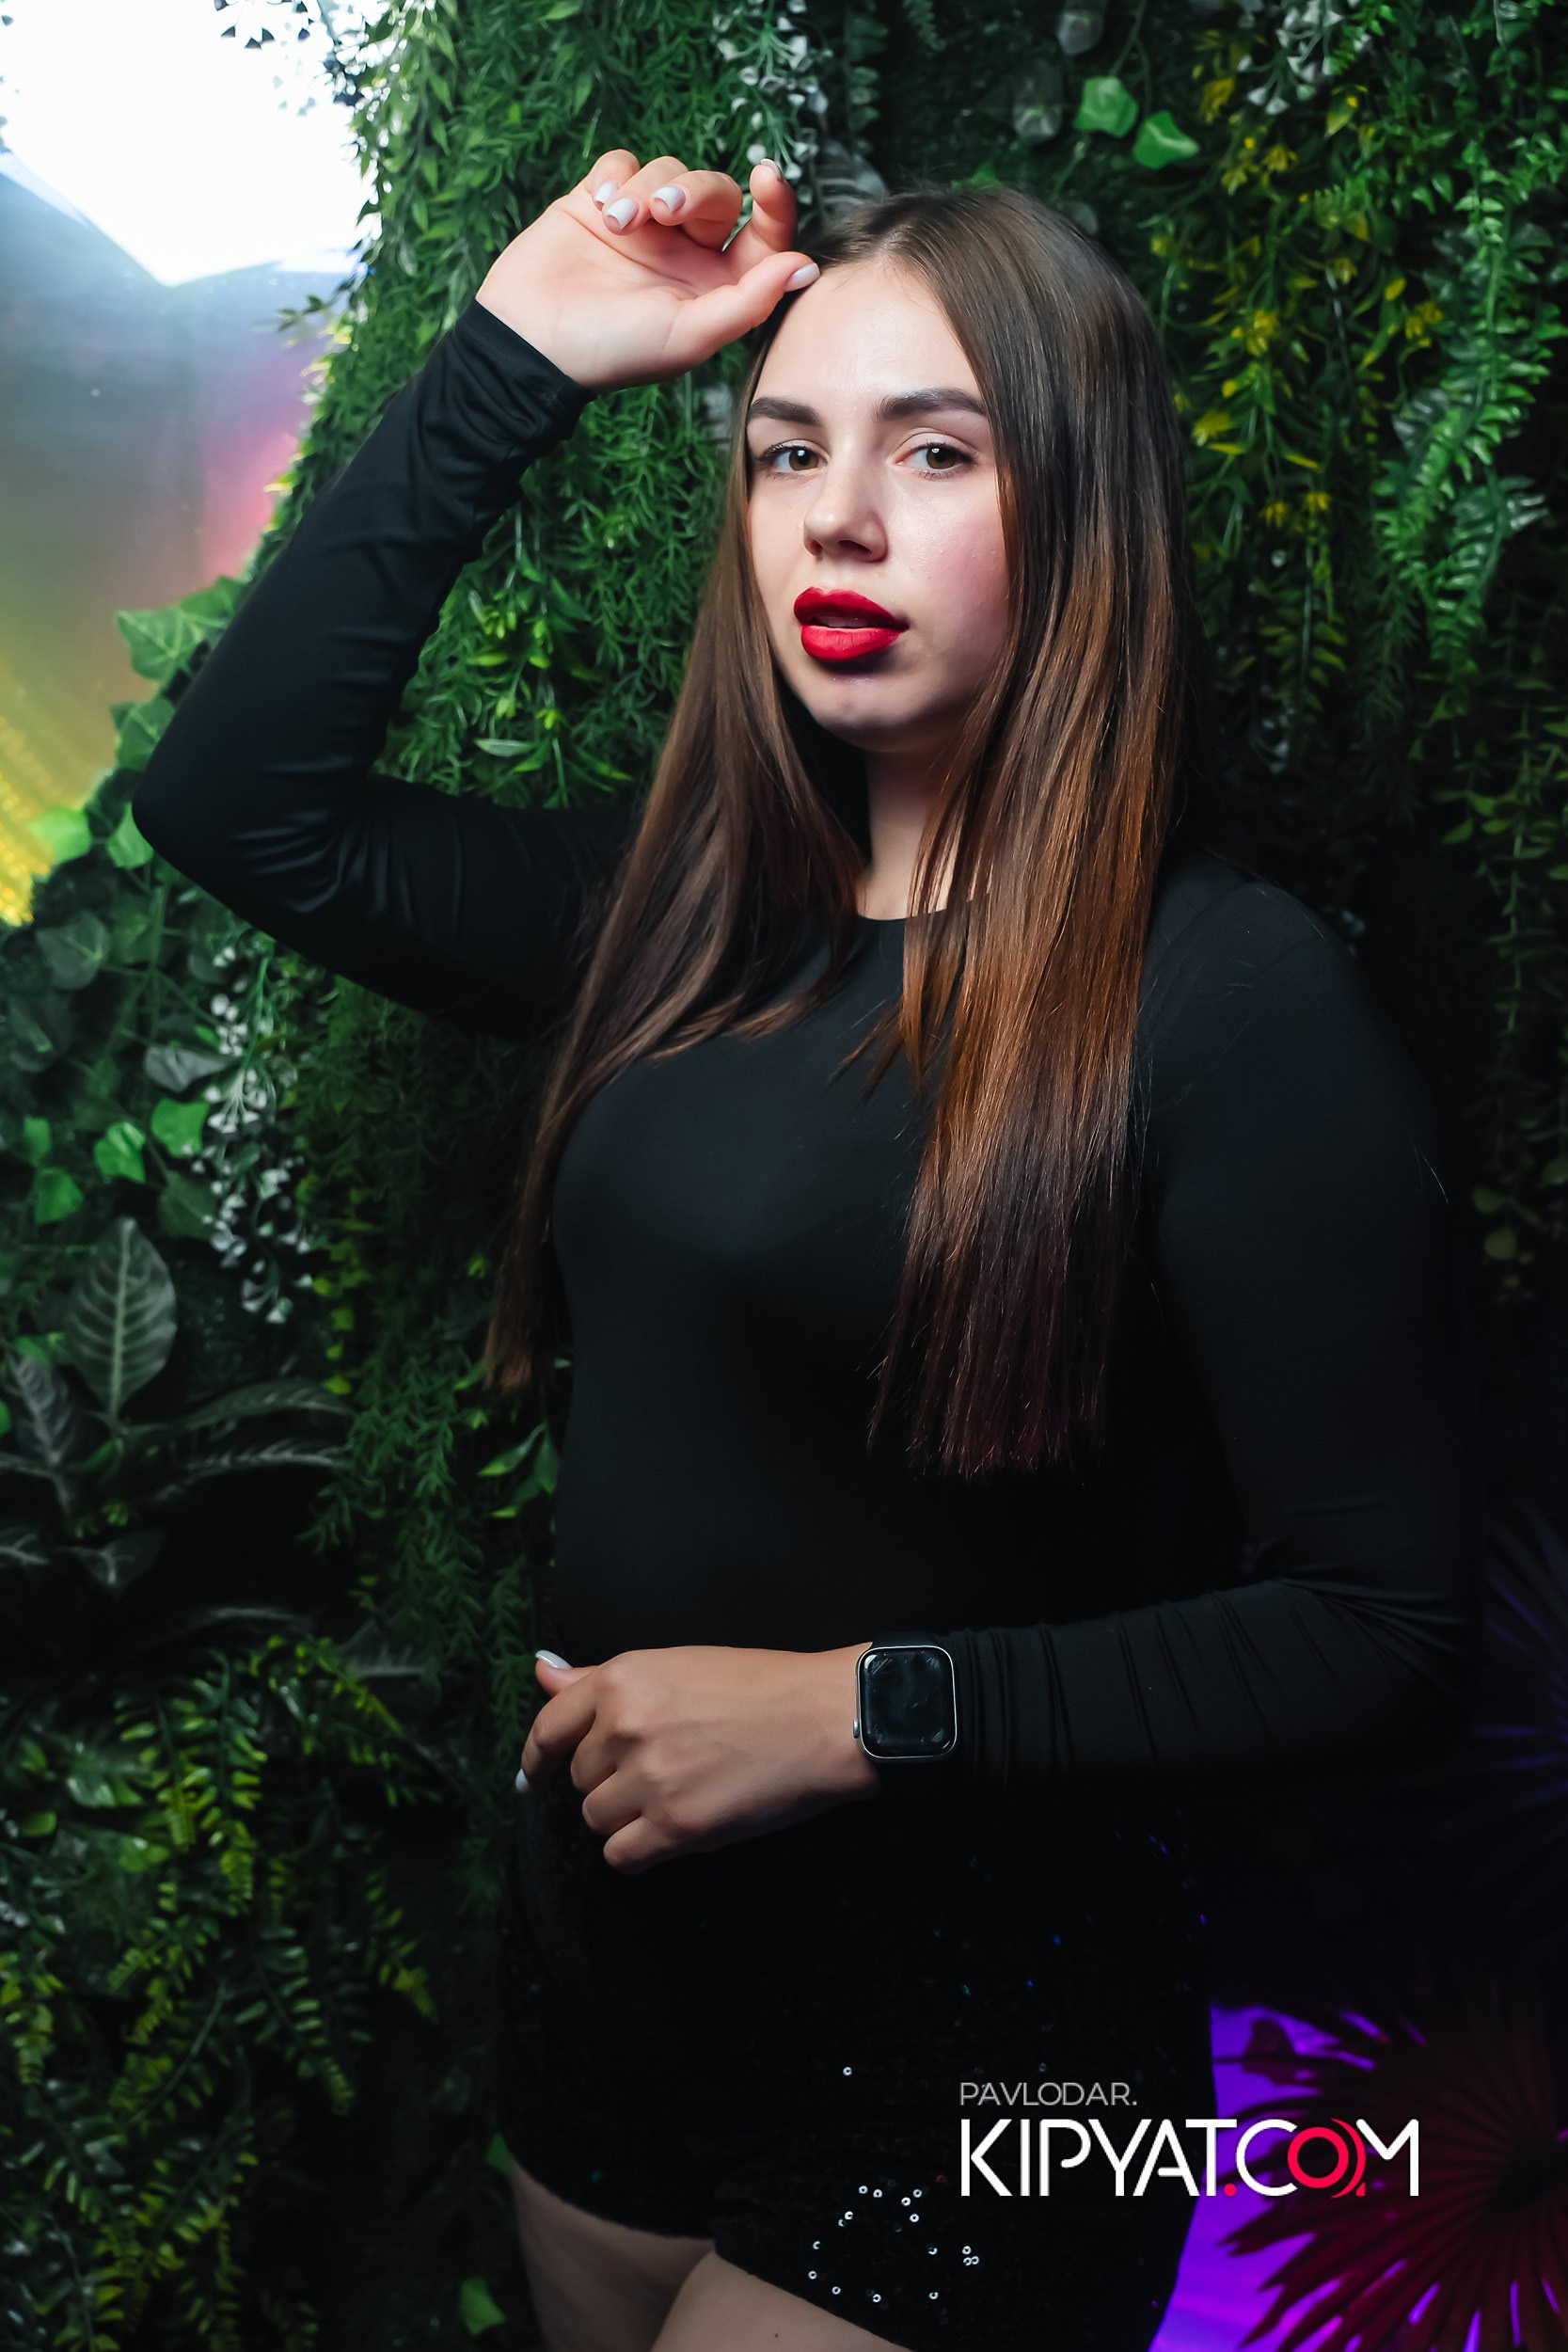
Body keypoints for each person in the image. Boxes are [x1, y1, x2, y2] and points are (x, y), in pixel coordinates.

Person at [131, 150, 1485, 2352]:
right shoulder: (674, 919)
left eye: (932, 452)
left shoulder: (1234, 1004)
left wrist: (869, 1711)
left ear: (1084, 511)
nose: (835, 521)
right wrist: (518, 348)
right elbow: (234, 801)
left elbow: (1388, 1626)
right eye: (785, 453)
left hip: (982, 2059)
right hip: (604, 2002)